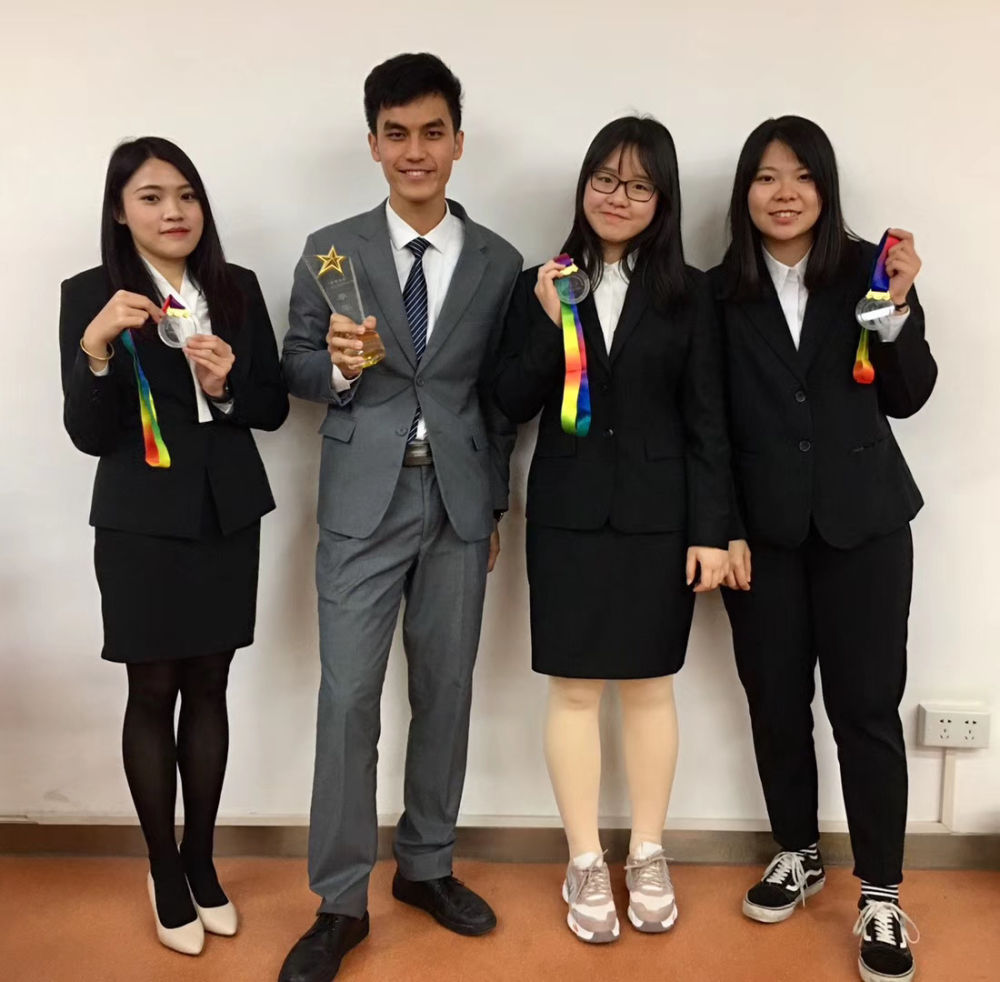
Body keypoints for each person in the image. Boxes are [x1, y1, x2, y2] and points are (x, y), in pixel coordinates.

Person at [278, 53, 522, 982]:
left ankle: (426, 865)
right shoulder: (330, 250)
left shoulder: (499, 261)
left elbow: (499, 398)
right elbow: (295, 365)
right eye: (396, 133)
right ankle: (340, 901)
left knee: (446, 690)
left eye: (431, 132)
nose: (414, 151)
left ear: (458, 141)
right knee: (347, 699)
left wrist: (492, 502)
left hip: (456, 503)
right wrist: (338, 368)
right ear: (373, 143)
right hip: (359, 504)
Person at [493, 116, 730, 944]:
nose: (617, 197)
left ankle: (650, 851)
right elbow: (508, 400)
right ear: (583, 186)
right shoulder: (540, 283)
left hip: (660, 520)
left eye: (638, 185)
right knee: (573, 689)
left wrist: (712, 530)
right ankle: (586, 858)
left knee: (651, 686)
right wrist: (543, 322)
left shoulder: (691, 293)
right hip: (567, 514)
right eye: (604, 179)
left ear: (663, 200)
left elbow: (708, 420)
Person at [711, 115, 936, 982]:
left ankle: (881, 891)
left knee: (866, 709)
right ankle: (798, 852)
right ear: (746, 191)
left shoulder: (871, 272)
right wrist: (723, 527)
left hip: (865, 525)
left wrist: (898, 308)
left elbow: (907, 395)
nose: (785, 193)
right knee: (775, 702)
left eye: (802, 176)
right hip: (762, 537)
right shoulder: (718, 293)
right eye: (767, 177)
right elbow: (708, 427)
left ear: (826, 187)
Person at [58, 137, 288, 955]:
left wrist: (226, 388)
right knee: (152, 690)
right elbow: (89, 435)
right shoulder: (91, 295)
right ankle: (162, 869)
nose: (174, 211)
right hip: (139, 522)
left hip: (226, 513)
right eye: (151, 197)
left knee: (211, 685)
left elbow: (272, 408)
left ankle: (200, 860)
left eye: (186, 194)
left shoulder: (237, 288)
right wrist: (93, 351)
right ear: (121, 212)